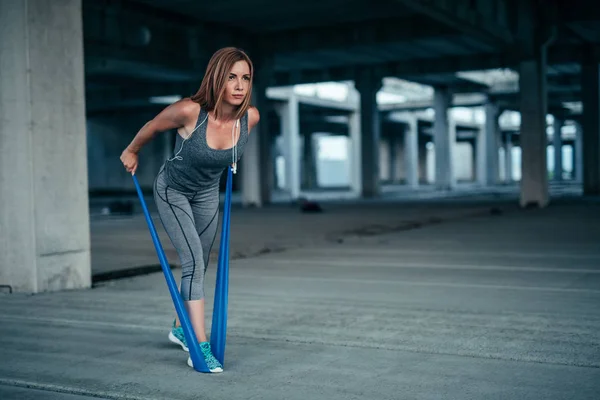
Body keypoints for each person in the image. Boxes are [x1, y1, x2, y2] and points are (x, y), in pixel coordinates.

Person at [120, 47, 260, 372]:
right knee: (193, 262)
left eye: (245, 78)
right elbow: (153, 126)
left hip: (208, 193)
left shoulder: (249, 117)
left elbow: (229, 156)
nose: (239, 85)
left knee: (201, 266)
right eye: (231, 77)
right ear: (217, 78)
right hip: (173, 191)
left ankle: (180, 325)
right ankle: (199, 346)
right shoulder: (189, 112)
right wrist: (132, 150)